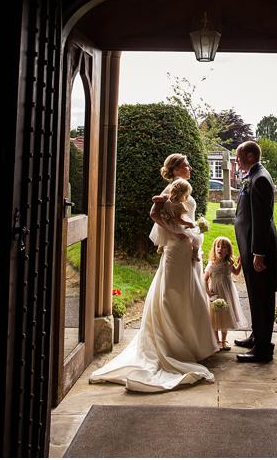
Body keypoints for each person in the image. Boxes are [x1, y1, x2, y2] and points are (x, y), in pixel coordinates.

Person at [90, 153, 217, 391]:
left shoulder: (182, 188)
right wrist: (175, 231)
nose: (189, 168)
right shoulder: (169, 190)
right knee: (173, 294)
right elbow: (154, 215)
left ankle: (192, 344)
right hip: (176, 248)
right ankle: (171, 346)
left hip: (187, 246)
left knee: (190, 293)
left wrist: (191, 228)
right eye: (185, 165)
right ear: (176, 169)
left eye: (188, 165)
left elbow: (182, 214)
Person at [232, 140, 277, 363]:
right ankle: (257, 336)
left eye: (239, 157)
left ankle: (263, 349)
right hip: (252, 248)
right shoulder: (253, 177)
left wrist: (258, 253)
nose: (237, 161)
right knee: (256, 296)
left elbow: (262, 221)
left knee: (262, 298)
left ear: (251, 157)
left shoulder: (261, 179)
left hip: (259, 251)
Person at [204, 236, 246, 351]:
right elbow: (205, 279)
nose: (220, 249)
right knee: (215, 317)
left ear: (228, 251)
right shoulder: (211, 264)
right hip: (216, 293)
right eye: (218, 246)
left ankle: (224, 340)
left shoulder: (228, 263)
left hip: (227, 293)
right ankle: (216, 341)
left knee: (226, 316)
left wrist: (241, 263)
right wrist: (208, 293)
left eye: (224, 247)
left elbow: (236, 273)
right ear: (214, 249)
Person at [156, 178, 200, 262]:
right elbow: (178, 219)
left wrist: (158, 199)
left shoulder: (167, 199)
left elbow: (154, 198)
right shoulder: (179, 205)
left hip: (167, 223)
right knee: (196, 238)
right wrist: (189, 224)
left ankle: (161, 245)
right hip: (175, 225)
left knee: (165, 233)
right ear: (184, 194)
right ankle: (195, 253)